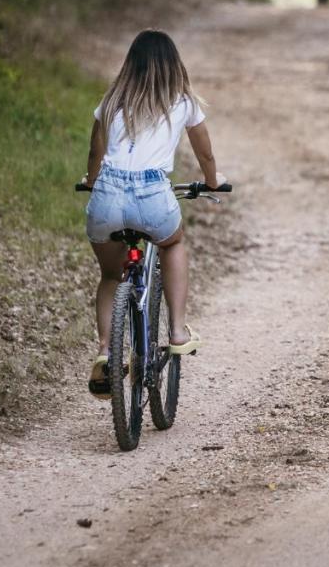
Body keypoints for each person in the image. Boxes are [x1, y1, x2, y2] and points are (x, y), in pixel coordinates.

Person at [82, 29, 223, 399]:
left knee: (111, 275)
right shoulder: (182, 101)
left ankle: (105, 351)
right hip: (152, 195)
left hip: (107, 195)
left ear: (131, 64)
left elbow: (95, 154)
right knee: (173, 244)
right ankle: (177, 330)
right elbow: (205, 155)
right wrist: (211, 182)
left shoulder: (111, 100)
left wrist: (92, 180)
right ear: (173, 65)